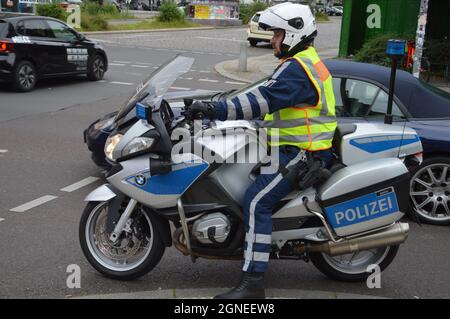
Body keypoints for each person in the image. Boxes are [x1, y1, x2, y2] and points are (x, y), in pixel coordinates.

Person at [188, 2, 337, 299]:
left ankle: (253, 284)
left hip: (301, 151)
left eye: (278, 34)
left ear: (294, 34)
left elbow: (261, 101)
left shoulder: (298, 70)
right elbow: (267, 104)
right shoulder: (301, 63)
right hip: (288, 146)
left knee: (256, 201)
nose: (273, 40)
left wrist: (214, 109)